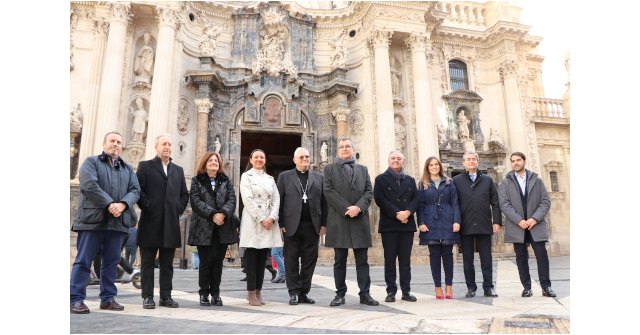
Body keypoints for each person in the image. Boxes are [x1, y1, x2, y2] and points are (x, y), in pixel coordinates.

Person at [70, 131, 140, 314]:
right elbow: (89, 185)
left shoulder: (127, 168)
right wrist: (110, 204)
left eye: (118, 141)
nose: (115, 144)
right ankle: (75, 299)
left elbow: (135, 190)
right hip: (92, 221)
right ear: (104, 144)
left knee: (111, 261)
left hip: (117, 223)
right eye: (112, 141)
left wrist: (123, 204)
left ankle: (108, 298)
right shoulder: (91, 162)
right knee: (83, 261)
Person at [136, 134, 189, 309]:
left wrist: (177, 209)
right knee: (147, 263)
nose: (167, 147)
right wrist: (147, 205)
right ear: (156, 147)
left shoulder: (178, 170)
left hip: (170, 224)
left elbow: (184, 194)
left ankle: (166, 296)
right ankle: (147, 297)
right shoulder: (145, 166)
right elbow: (138, 190)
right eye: (164, 144)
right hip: (150, 221)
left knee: (167, 265)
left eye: (169, 144)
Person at [324, 138, 378, 306]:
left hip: (359, 220)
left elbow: (369, 191)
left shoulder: (363, 169)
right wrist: (348, 208)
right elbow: (328, 191)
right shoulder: (329, 169)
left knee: (362, 261)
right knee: (339, 260)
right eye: (341, 147)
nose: (345, 149)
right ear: (337, 151)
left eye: (347, 146)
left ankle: (365, 294)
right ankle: (340, 294)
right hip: (339, 219)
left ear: (352, 149)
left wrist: (358, 208)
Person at [498, 152, 556, 298]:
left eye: (518, 160)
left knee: (542, 256)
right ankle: (527, 287)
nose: (515, 163)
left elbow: (545, 201)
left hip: (536, 225)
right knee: (521, 257)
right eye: (513, 161)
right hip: (518, 226)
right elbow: (504, 204)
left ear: (524, 161)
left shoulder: (537, 180)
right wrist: (519, 220)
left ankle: (546, 287)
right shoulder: (505, 182)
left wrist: (534, 219)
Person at [276, 147, 327, 305]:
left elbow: (325, 202)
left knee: (309, 260)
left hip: (312, 225)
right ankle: (294, 292)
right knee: (291, 260)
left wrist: (324, 224)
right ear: (294, 160)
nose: (305, 159)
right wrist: (281, 223)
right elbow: (279, 200)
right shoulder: (285, 177)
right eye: (301, 157)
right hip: (291, 225)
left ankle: (304, 292)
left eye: (307, 156)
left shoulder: (319, 177)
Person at [188, 152, 238, 306]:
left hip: (222, 228)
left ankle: (215, 293)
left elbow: (232, 199)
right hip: (203, 227)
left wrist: (222, 214)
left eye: (216, 160)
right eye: (211, 160)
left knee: (217, 262)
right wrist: (212, 214)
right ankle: (203, 293)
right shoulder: (197, 180)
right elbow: (195, 201)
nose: (214, 162)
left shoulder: (226, 180)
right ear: (205, 163)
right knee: (205, 262)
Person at [452, 151, 502, 298]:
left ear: (478, 162)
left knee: (486, 258)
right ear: (463, 163)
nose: (471, 161)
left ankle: (488, 287)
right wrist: (456, 221)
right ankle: (471, 288)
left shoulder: (487, 180)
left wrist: (497, 221)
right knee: (467, 259)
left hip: (484, 224)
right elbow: (454, 203)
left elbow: (495, 202)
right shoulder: (456, 180)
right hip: (465, 225)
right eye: (468, 159)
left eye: (474, 159)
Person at [373, 150, 419, 303]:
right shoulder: (380, 179)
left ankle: (406, 291)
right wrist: (397, 213)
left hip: (407, 225)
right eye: (393, 158)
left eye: (399, 158)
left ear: (403, 161)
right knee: (390, 260)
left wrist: (408, 212)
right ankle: (391, 291)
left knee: (405, 261)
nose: (396, 160)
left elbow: (416, 199)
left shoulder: (411, 180)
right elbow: (380, 199)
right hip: (390, 225)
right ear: (388, 160)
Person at [238, 149, 282, 306]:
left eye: (262, 157)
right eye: (256, 157)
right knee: (251, 259)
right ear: (250, 160)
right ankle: (250, 293)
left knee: (263, 258)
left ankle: (258, 291)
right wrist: (262, 218)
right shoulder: (246, 177)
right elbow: (247, 199)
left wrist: (272, 217)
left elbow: (276, 198)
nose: (259, 159)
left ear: (265, 160)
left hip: (268, 221)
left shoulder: (270, 179)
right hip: (253, 220)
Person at [416, 156, 461, 300]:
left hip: (447, 220)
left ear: (440, 166)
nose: (434, 167)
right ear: (427, 168)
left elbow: (455, 203)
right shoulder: (422, 184)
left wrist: (456, 221)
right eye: (431, 165)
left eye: (436, 164)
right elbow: (420, 206)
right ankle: (437, 287)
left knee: (448, 255)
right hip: (430, 221)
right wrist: (421, 223)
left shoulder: (449, 182)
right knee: (434, 256)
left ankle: (449, 286)